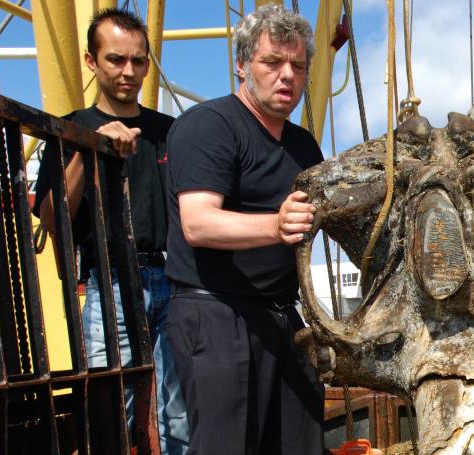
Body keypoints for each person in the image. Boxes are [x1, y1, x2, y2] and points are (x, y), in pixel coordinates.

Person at [164, 4, 324, 453]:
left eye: (297, 65)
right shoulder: (209, 126)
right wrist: (275, 225)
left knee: (299, 443)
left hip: (280, 314)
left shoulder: (303, 145)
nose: (286, 75)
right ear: (241, 63)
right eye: (272, 62)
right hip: (216, 314)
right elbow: (198, 222)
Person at [31, 8, 188, 454]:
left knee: (179, 414)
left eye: (139, 61)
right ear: (90, 60)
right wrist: (92, 146)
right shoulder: (70, 127)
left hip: (173, 281)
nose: (129, 71)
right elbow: (53, 212)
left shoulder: (169, 131)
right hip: (111, 283)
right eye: (116, 59)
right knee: (109, 412)